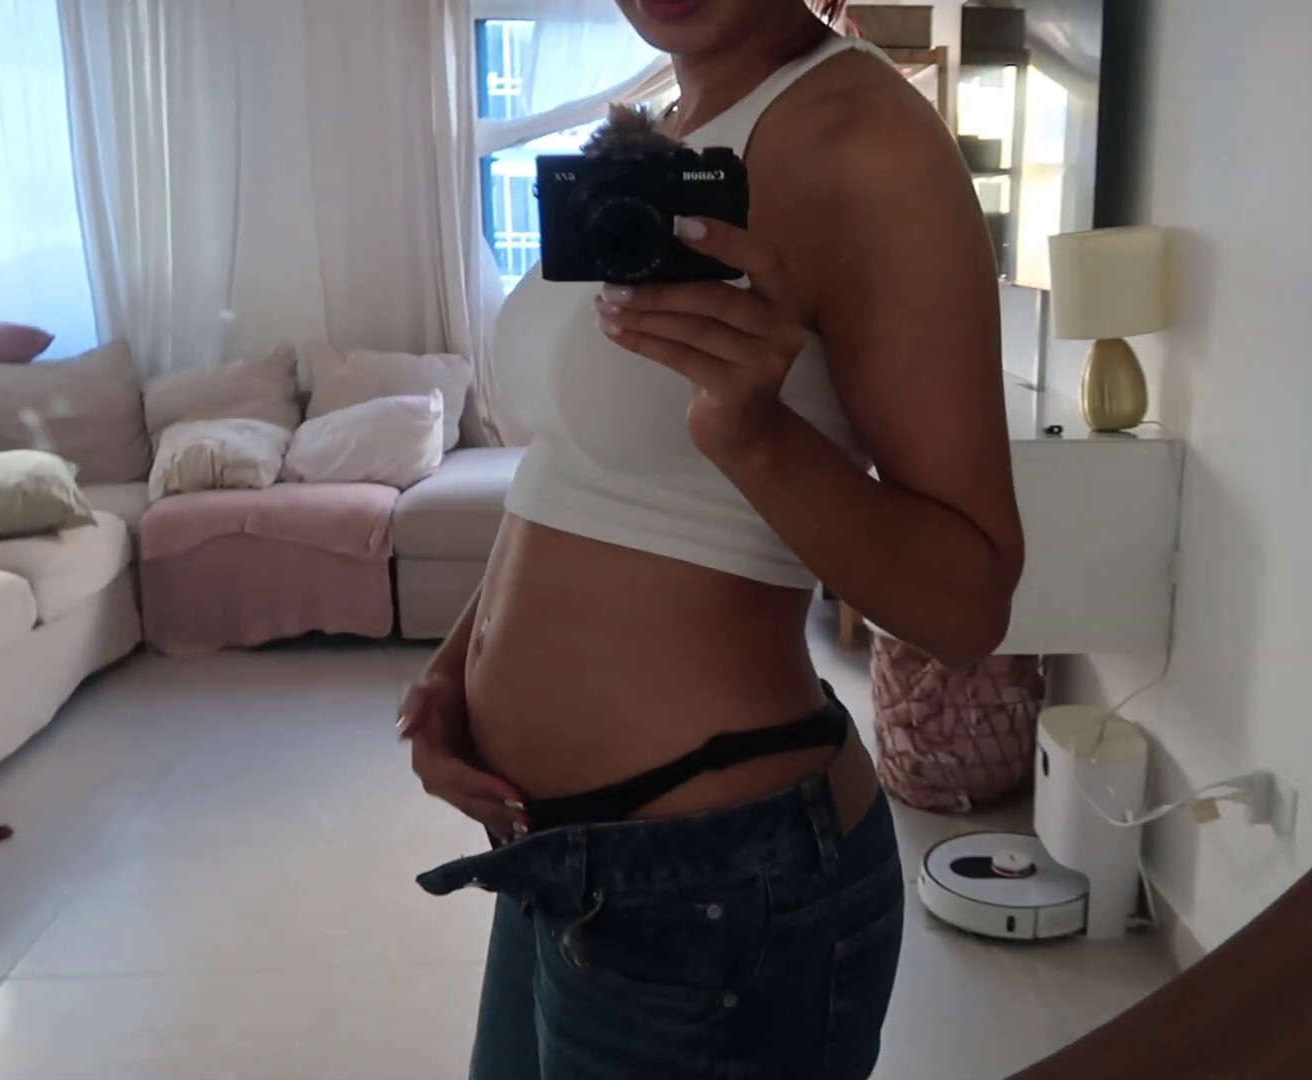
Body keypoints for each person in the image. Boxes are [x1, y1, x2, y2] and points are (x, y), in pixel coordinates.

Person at [400, 0, 1023, 1075]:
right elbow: (574, 471)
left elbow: (968, 606)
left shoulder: (866, 142)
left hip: (716, 895)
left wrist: (757, 435)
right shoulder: (663, 130)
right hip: (555, 861)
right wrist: (460, 666)